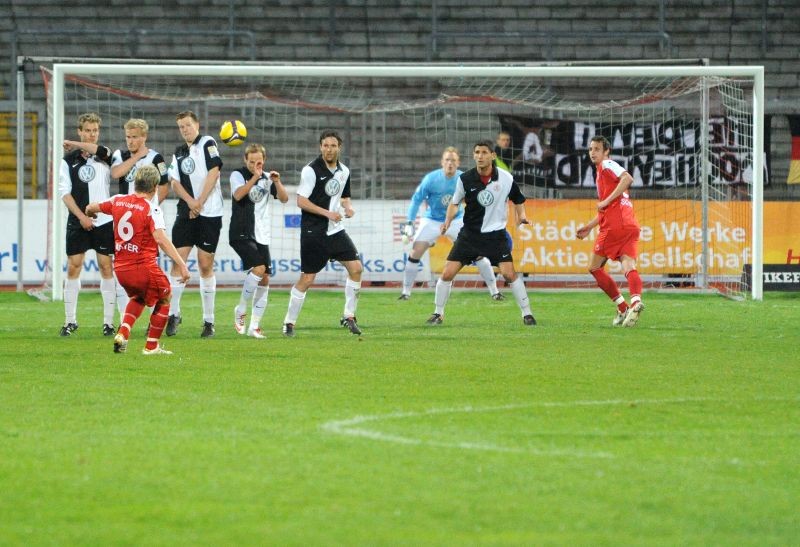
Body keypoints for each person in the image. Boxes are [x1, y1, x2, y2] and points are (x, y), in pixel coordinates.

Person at [426, 139, 536, 327]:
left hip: (495, 235)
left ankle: (527, 314)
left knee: (510, 274)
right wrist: (447, 222)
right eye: (477, 152)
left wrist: (522, 216)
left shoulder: (505, 178)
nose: (480, 156)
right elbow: (454, 203)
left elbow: (518, 199)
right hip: (469, 235)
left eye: (484, 152)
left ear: (492, 156)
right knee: (446, 274)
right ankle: (438, 313)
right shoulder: (465, 179)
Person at [85, 165, 190, 355]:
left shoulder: (118, 200)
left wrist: (90, 213)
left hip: (122, 270)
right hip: (143, 266)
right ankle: (152, 346)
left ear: (135, 184)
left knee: (139, 297)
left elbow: (91, 207)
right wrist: (181, 264)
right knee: (165, 297)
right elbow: (161, 239)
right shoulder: (152, 209)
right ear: (155, 187)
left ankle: (123, 332)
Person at [282, 129, 363, 338]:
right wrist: (328, 213)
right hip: (313, 231)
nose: (329, 149)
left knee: (356, 268)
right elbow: (301, 201)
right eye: (326, 145)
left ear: (339, 148)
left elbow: (344, 195)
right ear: (320, 147)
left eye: (333, 146)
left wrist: (348, 207)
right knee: (307, 279)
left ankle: (349, 315)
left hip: (335, 231)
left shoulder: (344, 171)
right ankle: (289, 322)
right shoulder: (311, 170)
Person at [399, 147, 502, 301]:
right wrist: (409, 222)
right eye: (447, 160)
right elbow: (416, 200)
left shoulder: (464, 178)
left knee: (478, 254)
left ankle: (495, 291)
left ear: (458, 163)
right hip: (432, 220)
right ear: (442, 162)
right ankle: (405, 292)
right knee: (415, 252)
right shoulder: (431, 179)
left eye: (453, 160)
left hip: (456, 220)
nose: (450, 163)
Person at [58, 112, 117, 337]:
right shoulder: (68, 161)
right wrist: (81, 217)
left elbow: (100, 151)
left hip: (103, 220)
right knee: (74, 266)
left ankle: (108, 323)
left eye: (95, 131)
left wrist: (73, 143)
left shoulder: (106, 156)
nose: (92, 135)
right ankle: (70, 320)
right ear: (80, 131)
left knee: (106, 267)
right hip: (78, 220)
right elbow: (65, 193)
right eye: (88, 131)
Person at [165, 110, 224, 338]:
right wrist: (191, 202)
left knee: (205, 264)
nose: (185, 130)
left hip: (210, 213)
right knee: (178, 262)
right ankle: (174, 313)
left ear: (196, 125)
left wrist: (199, 202)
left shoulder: (207, 142)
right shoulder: (178, 153)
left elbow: (214, 172)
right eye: (181, 127)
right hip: (186, 212)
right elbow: (174, 182)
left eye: (187, 125)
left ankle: (208, 321)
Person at [576, 135, 644, 327]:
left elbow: (628, 178)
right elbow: (609, 206)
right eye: (590, 149)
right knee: (628, 266)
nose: (592, 153)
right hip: (630, 225)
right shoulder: (604, 175)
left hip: (614, 227)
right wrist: (589, 226)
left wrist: (605, 201)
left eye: (597, 149)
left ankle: (622, 307)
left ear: (606, 152)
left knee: (594, 268)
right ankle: (636, 302)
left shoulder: (607, 165)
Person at [110, 118, 170, 316]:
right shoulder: (121, 155)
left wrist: (149, 209)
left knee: (149, 265)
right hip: (125, 217)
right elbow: (116, 173)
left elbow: (164, 186)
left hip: (145, 220)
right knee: (123, 267)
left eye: (135, 137)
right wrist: (136, 158)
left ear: (144, 137)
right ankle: (122, 318)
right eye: (128, 137)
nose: (130, 141)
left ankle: (156, 316)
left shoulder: (156, 158)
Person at [229, 143, 289, 339]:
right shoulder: (237, 175)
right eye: (252, 162)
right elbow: (238, 195)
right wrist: (255, 176)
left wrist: (277, 182)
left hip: (262, 235)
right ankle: (241, 309)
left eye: (259, 162)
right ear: (245, 160)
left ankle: (254, 326)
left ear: (265, 161)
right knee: (259, 268)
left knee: (264, 279)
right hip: (241, 232)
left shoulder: (267, 178)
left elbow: (284, 198)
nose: (256, 165)